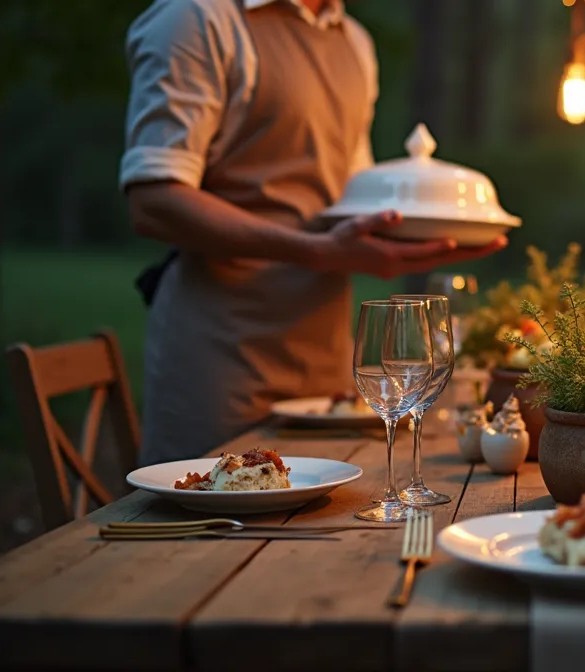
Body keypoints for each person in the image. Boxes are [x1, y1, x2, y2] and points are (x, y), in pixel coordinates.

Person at [120, 0, 506, 465]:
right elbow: (154, 200)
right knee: (208, 526)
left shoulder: (354, 42)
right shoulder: (198, 19)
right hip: (221, 361)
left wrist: (403, 238)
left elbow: (348, 199)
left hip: (330, 368)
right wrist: (317, 251)